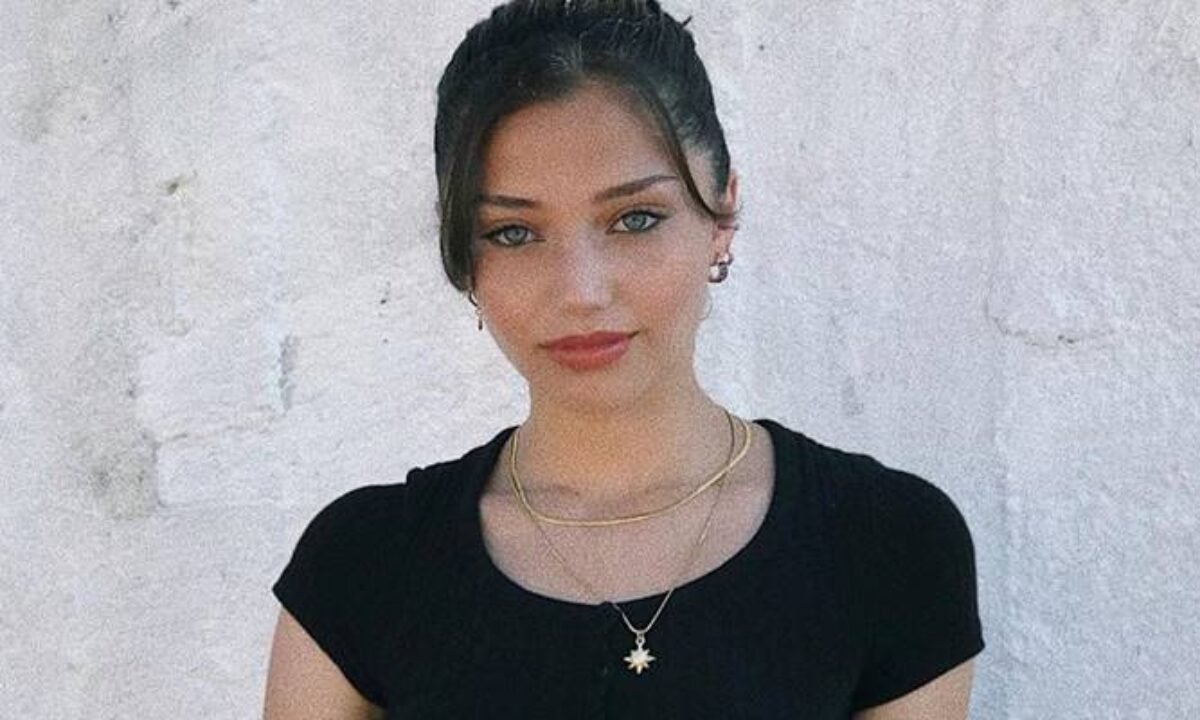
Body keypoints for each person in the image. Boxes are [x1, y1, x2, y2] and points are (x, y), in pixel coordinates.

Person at [262, 1, 984, 717]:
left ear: (721, 217)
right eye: (513, 232)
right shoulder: (360, 569)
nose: (581, 291)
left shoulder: (887, 546)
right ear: (464, 258)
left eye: (635, 219)